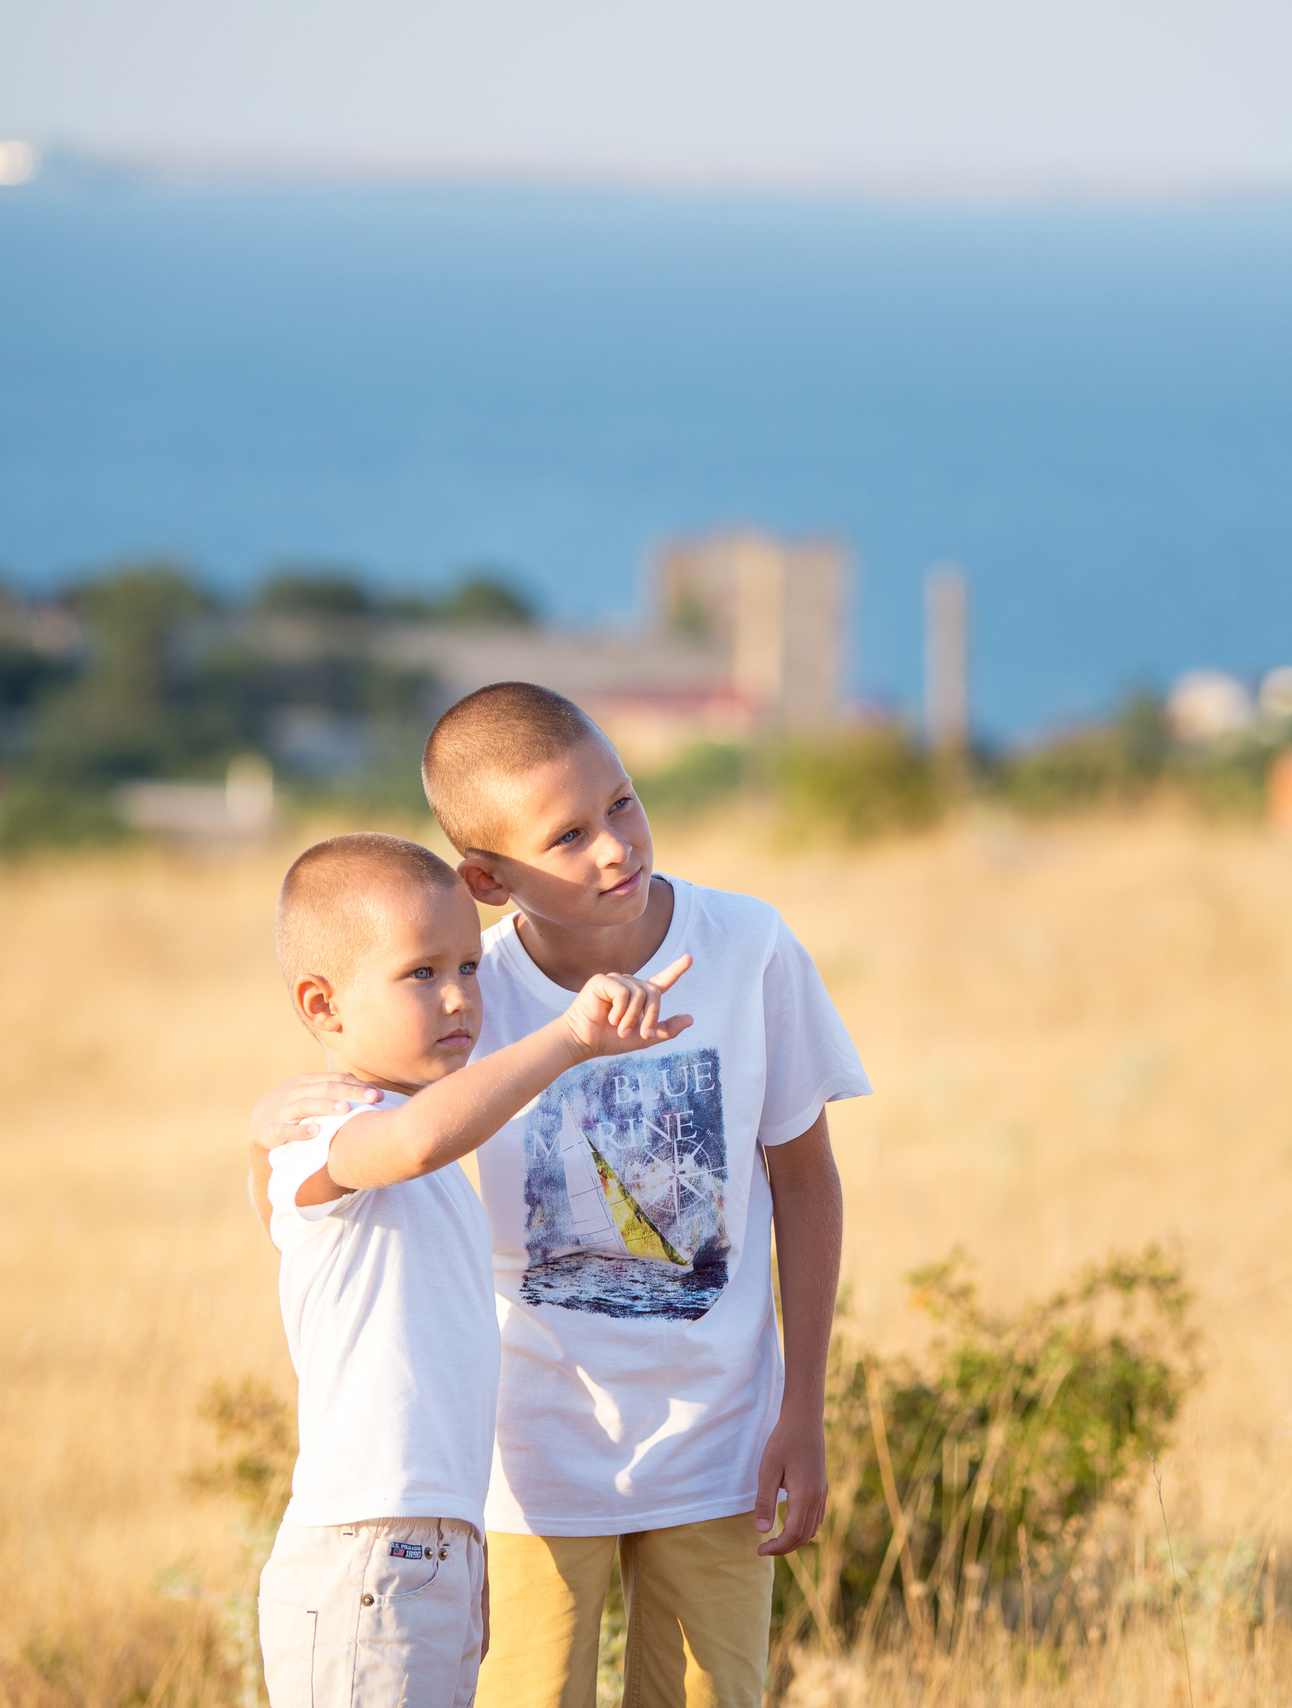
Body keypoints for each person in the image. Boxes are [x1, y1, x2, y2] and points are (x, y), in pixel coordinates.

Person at [251, 683, 869, 1708]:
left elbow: (804, 1180)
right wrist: (263, 1120)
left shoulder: (751, 949)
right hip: (522, 1473)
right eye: (569, 834)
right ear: (488, 877)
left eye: (621, 803)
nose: (616, 845)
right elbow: (360, 1157)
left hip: (718, 1451)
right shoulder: (460, 1001)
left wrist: (801, 1406)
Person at [253, 830, 693, 1708]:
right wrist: (569, 1037)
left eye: (468, 966)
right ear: (324, 1005)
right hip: (370, 1549)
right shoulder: (331, 1131)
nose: (459, 995)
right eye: (421, 973)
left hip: (434, 1547)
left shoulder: (378, 1144)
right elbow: (411, 1142)